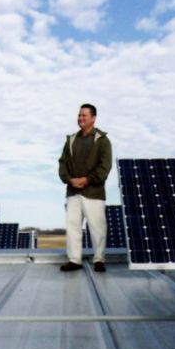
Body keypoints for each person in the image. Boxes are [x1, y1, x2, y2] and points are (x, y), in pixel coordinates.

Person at [58, 103, 112, 272]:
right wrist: (69, 179)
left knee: (97, 228)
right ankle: (74, 260)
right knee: (73, 227)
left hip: (93, 193)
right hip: (73, 192)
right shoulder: (71, 140)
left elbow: (105, 167)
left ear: (93, 118)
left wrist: (87, 180)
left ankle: (99, 259)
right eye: (79, 115)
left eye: (84, 116)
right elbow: (63, 163)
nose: (80, 118)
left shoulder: (102, 141)